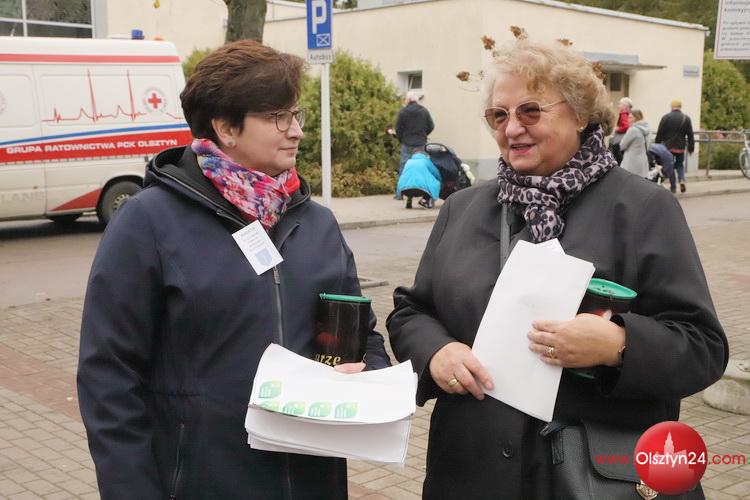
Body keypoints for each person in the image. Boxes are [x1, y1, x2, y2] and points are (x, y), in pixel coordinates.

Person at [387, 38, 727, 499]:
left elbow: (703, 346)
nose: (512, 129)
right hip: (470, 474)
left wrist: (618, 345)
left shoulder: (643, 208)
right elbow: (412, 311)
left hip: (588, 480)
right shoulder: (462, 209)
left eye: (530, 111)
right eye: (498, 115)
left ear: (580, 113)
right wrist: (436, 352)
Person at [77, 40, 390, 500]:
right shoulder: (147, 223)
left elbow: (362, 336)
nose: (296, 131)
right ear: (225, 128)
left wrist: (367, 377)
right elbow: (108, 377)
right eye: (278, 116)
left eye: (295, 114)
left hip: (312, 481)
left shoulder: (317, 223)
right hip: (201, 484)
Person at [394, 91, 434, 198]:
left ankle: (399, 193)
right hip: (420, 144)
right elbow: (431, 126)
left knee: (404, 167)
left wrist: (402, 139)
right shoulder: (424, 111)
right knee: (422, 166)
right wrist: (423, 135)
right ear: (416, 100)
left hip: (407, 143)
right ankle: (423, 192)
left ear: (408, 100)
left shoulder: (403, 112)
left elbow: (398, 128)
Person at [655, 99, 695, 193]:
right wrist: (691, 148)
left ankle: (673, 187)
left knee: (670, 166)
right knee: (680, 164)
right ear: (680, 107)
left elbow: (660, 133)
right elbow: (690, 134)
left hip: (667, 147)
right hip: (680, 147)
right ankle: (681, 179)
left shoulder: (666, 117)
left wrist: (657, 145)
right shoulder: (686, 118)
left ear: (671, 107)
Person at [618, 108, 650, 178]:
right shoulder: (647, 129)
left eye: (630, 117)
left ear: (636, 118)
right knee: (639, 181)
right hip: (643, 160)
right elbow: (648, 145)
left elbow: (622, 145)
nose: (628, 119)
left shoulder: (633, 129)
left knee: (628, 180)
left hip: (631, 161)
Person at [609, 96, 632, 164]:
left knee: (616, 151)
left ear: (625, 106)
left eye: (620, 104)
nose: (619, 106)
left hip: (620, 137)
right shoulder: (629, 114)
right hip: (624, 137)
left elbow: (626, 126)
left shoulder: (623, 114)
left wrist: (617, 129)